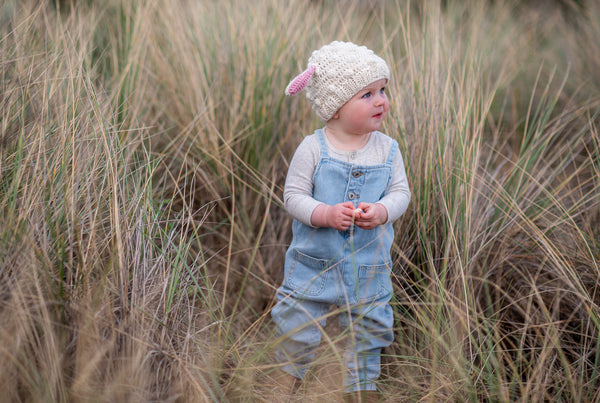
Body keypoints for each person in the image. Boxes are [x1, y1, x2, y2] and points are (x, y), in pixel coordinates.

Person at [270, 41, 411, 399]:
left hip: (368, 265)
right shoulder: (314, 148)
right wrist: (326, 214)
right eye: (367, 94)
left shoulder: (387, 149)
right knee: (297, 320)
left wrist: (381, 211)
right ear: (335, 108)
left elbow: (400, 194)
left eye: (383, 90)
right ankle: (286, 380)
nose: (381, 100)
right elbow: (293, 197)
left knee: (369, 327)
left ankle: (360, 387)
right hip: (313, 262)